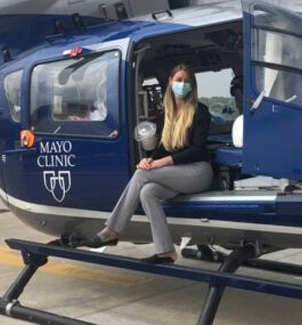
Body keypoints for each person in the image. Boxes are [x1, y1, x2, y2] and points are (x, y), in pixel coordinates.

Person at [84, 63, 212, 264]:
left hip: (198, 172)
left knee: (143, 175)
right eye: (179, 80)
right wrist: (150, 159)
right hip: (178, 174)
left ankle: (112, 230)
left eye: (187, 82)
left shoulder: (199, 111)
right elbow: (165, 146)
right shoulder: (169, 112)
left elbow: (198, 149)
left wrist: (161, 163)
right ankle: (166, 252)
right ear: (170, 82)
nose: (182, 85)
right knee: (147, 191)